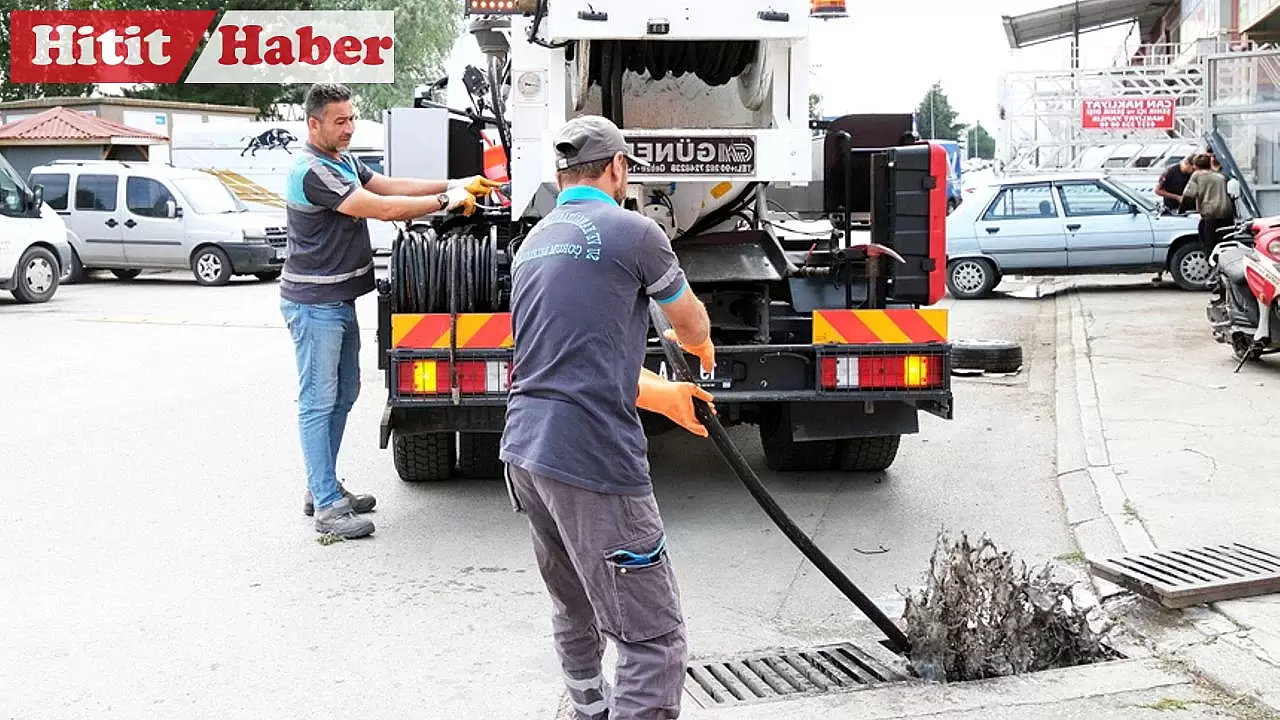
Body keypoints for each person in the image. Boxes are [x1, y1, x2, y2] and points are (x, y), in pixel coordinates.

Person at [499, 114, 716, 720]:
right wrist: (699, 348)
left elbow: (569, 362)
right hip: (592, 459)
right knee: (653, 637)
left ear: (563, 174)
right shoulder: (635, 232)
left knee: (575, 602)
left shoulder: (533, 242)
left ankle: (587, 708)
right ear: (618, 167)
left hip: (526, 452)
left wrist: (662, 394)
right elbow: (690, 322)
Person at [281, 83, 501, 539]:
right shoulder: (311, 171)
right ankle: (326, 506)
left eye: (351, 119)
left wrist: (454, 184)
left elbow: (389, 184)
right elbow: (379, 208)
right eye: (339, 121)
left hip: (337, 302)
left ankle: (321, 487)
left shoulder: (342, 160)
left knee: (344, 394)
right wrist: (445, 202)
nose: (348, 128)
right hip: (314, 306)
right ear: (313, 124)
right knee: (319, 401)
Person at [1182, 153, 1236, 259]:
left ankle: (1212, 267)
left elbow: (1188, 195)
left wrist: (1182, 210)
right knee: (1226, 244)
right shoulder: (1220, 176)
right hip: (1227, 214)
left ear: (1195, 166)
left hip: (1211, 214)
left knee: (1209, 244)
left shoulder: (1197, 175)